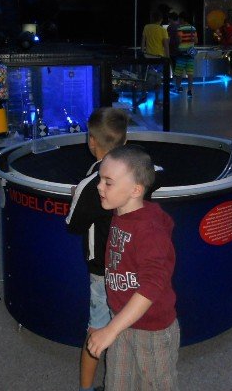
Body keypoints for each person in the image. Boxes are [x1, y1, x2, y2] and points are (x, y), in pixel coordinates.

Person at [87, 145, 179, 391]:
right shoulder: (121, 213)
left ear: (136, 190)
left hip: (151, 331)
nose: (99, 187)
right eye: (100, 180)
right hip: (121, 320)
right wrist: (115, 326)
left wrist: (110, 330)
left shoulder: (150, 230)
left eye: (108, 182)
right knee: (117, 384)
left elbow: (152, 286)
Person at [66, 107, 130, 391]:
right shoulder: (137, 172)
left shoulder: (91, 185)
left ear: (91, 140)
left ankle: (86, 388)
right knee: (126, 327)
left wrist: (75, 197)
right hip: (132, 267)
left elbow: (73, 224)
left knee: (97, 331)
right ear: (125, 141)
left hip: (102, 270)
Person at [140, 12, 169, 106]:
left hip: (148, 57)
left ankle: (144, 96)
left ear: (152, 18)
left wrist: (142, 52)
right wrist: (167, 58)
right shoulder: (163, 30)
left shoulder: (146, 27)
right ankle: (156, 99)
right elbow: (166, 45)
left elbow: (143, 42)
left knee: (146, 78)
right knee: (158, 78)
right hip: (159, 58)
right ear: (161, 20)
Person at [173, 12, 197, 98]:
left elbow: (179, 40)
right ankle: (189, 91)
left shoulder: (180, 28)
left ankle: (177, 88)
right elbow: (196, 41)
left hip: (181, 53)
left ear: (182, 19)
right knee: (190, 73)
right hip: (190, 54)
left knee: (179, 72)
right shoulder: (193, 28)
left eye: (179, 19)